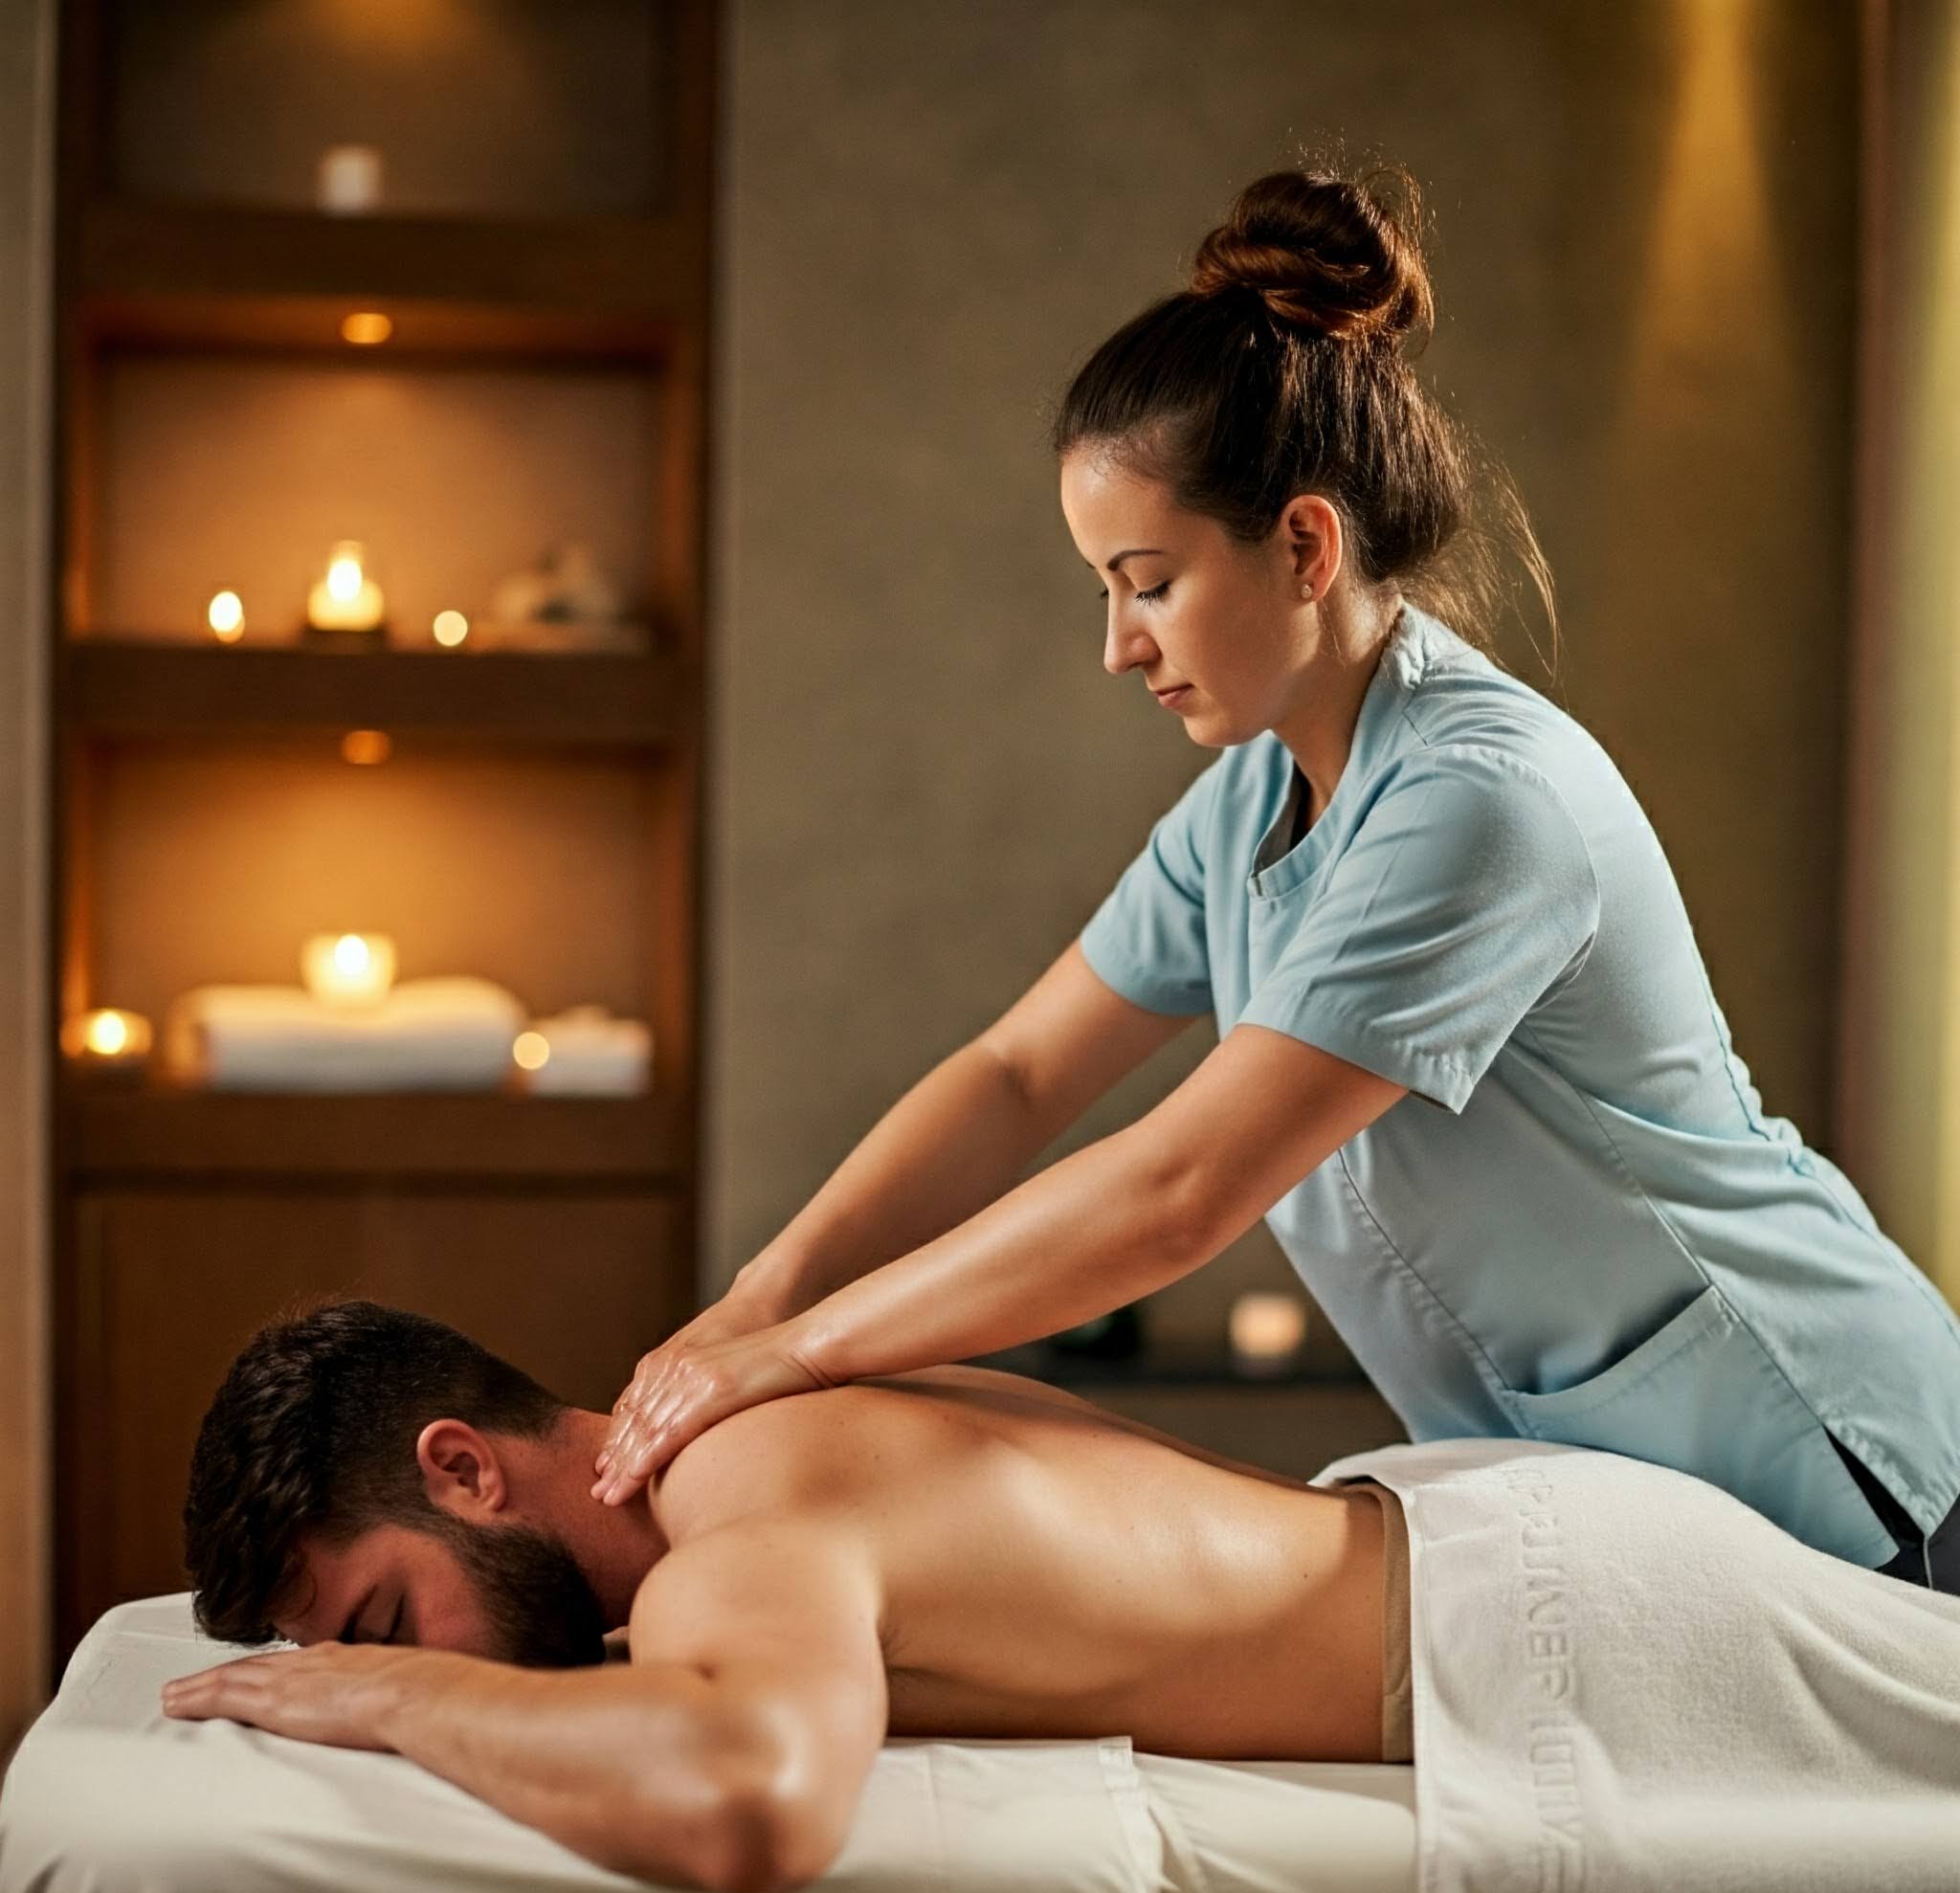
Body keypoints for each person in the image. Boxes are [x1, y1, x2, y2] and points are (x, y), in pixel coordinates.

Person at [589, 160, 1960, 1593]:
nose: (1118, 644)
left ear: (1305, 545)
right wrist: (753, 1303)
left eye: (1148, 581)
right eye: (1103, 589)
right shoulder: (1251, 803)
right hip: (1630, 1511)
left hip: (1839, 1463)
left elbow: (1183, 1188)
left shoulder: (1478, 802)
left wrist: (798, 1353)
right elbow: (1017, 1075)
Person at [164, 1302, 1410, 1893]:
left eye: (384, 1617)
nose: (380, 1656)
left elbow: (750, 1804)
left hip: (1530, 1638)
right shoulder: (750, 1433)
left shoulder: (735, 1524)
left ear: (463, 1469)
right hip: (1459, 1545)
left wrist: (396, 1693)